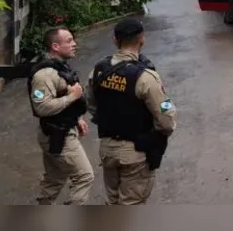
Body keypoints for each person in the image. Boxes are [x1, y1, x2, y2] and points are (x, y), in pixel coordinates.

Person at [87, 18, 177, 205]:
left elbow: (92, 104)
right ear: (141, 39)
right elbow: (166, 120)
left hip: (107, 149)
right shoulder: (146, 77)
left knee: (112, 202)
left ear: (115, 40)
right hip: (135, 152)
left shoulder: (99, 70)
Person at [28, 26, 94, 205]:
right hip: (57, 134)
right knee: (84, 176)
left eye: (73, 40)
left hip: (60, 129)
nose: (74, 44)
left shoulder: (59, 66)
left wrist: (77, 118)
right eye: (69, 41)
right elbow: (41, 107)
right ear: (55, 46)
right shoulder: (44, 74)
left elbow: (62, 96)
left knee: (55, 178)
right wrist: (72, 97)